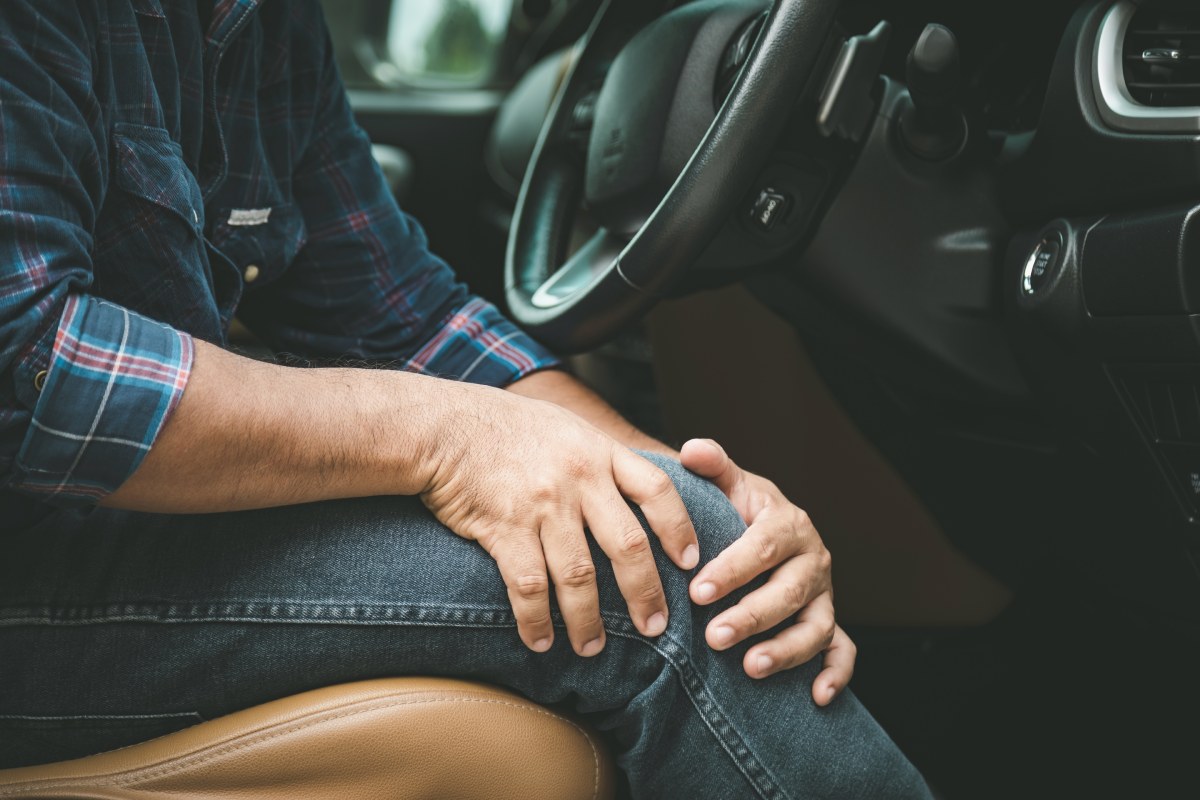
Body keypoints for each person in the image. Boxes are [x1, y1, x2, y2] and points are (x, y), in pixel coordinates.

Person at [0, 1, 931, 797]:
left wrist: (679, 490)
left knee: (673, 538)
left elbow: (402, 315)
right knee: (638, 588)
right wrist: (444, 438)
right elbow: (32, 365)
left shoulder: (259, 23)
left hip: (100, 530)